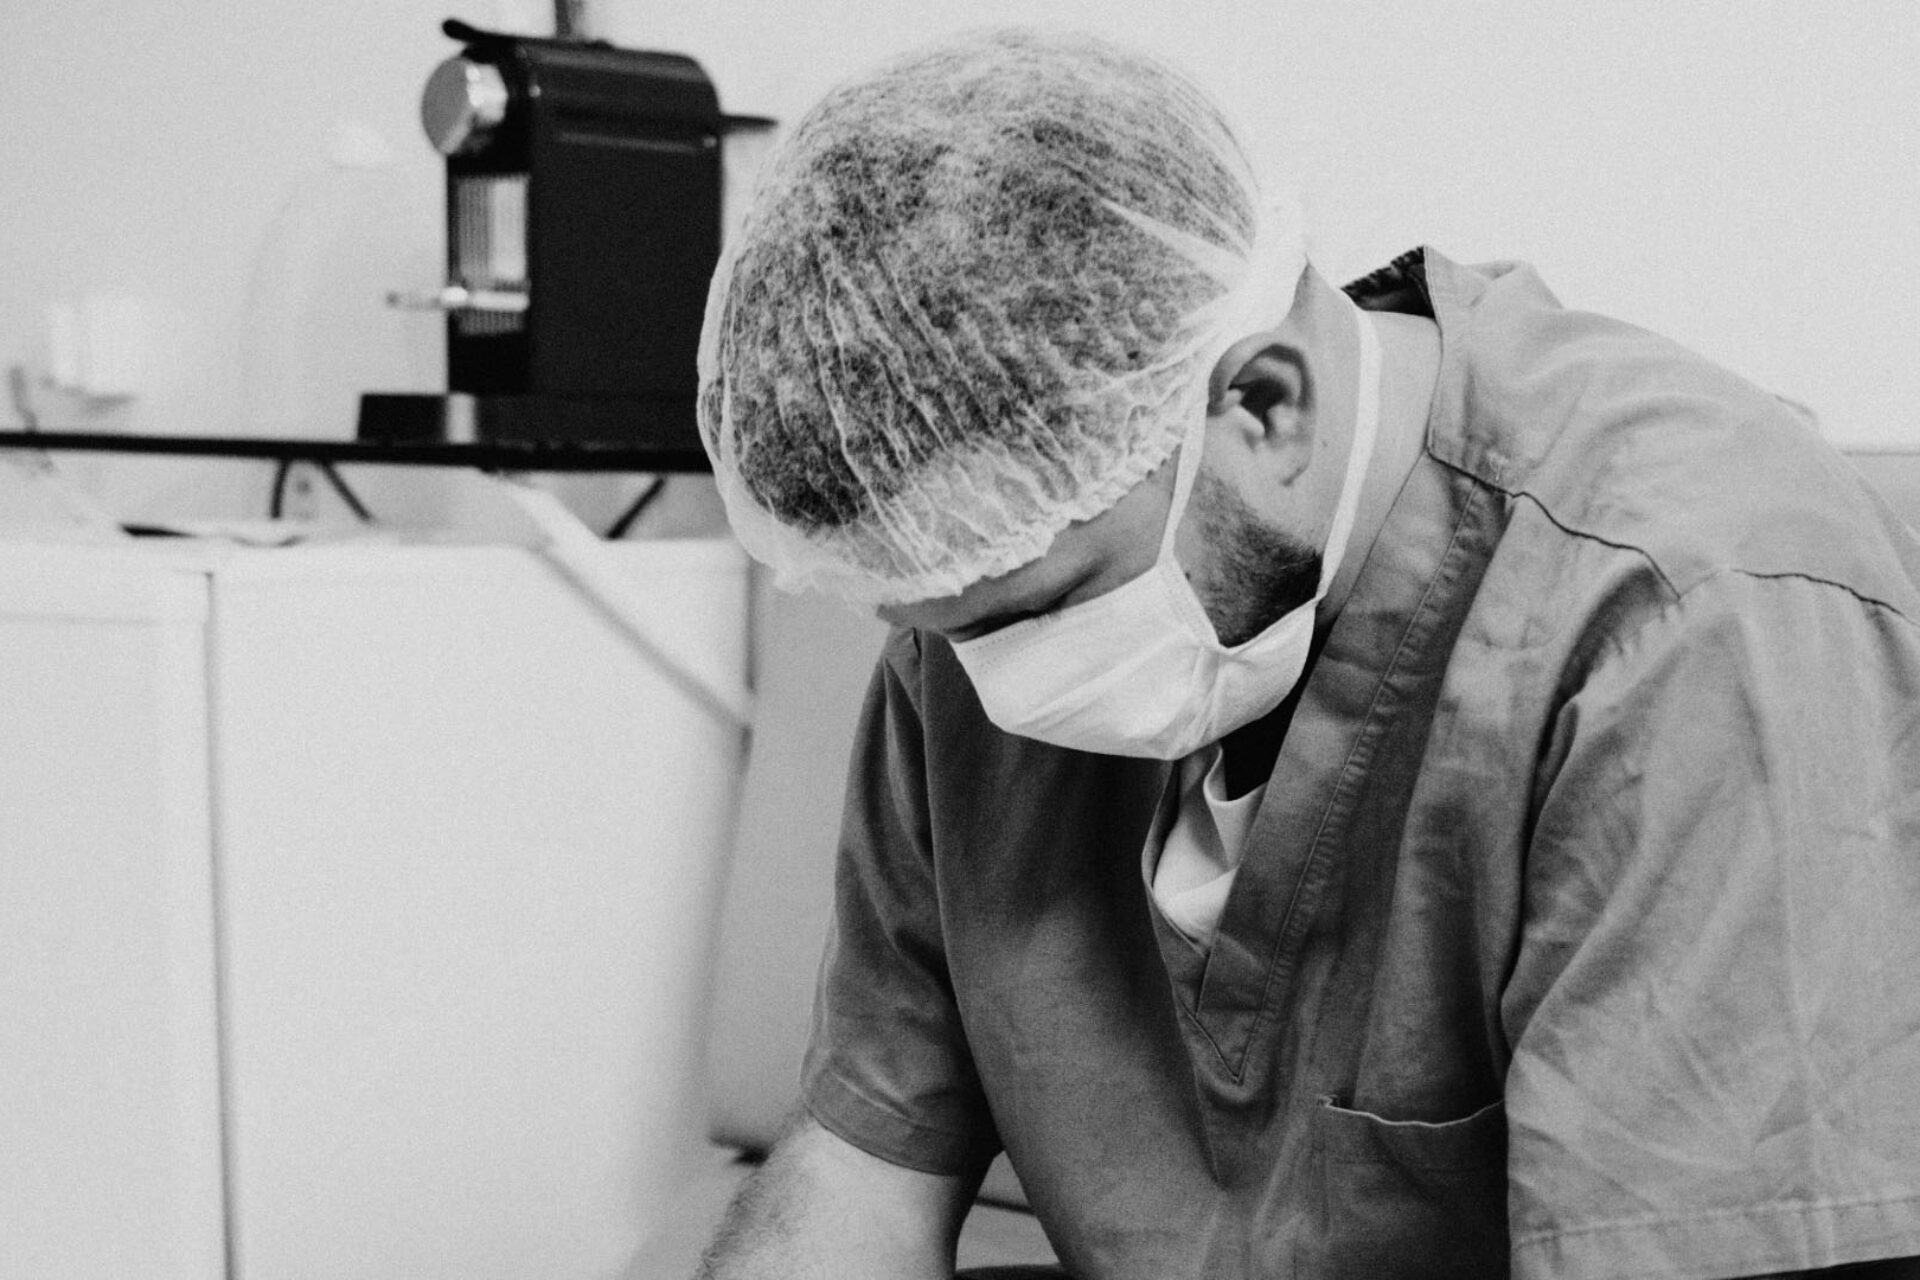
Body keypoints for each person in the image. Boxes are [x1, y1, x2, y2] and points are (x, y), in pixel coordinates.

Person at [690, 26, 1920, 1280]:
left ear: (1266, 403)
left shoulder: (1691, 618)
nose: (1000, 684)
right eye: (942, 631)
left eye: (1043, 609)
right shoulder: (977, 620)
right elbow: (861, 1171)